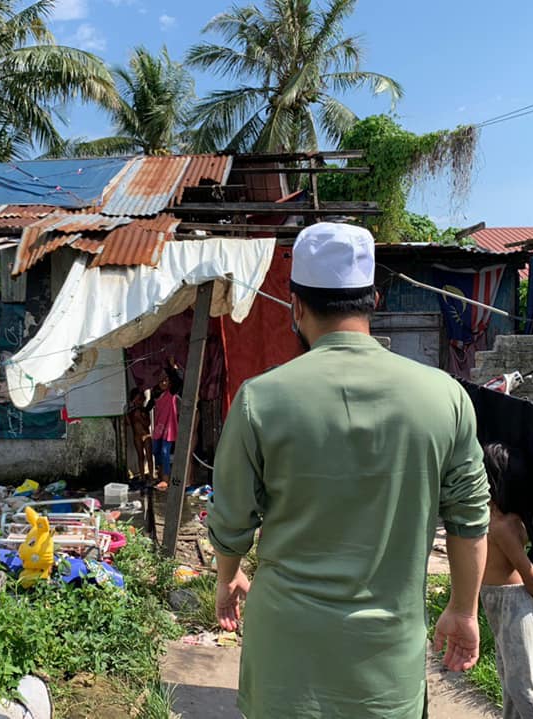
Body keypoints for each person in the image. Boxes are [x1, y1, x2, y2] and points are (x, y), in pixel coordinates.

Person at [207, 222, 491, 718]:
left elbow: (232, 520)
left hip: (285, 664)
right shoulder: (445, 396)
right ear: (374, 299)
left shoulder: (260, 399)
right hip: (385, 664)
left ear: (295, 306)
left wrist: (228, 576)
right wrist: (464, 611)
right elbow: (471, 519)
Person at [481, 442, 533, 719]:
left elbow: (528, 572)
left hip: (514, 604)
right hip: (503, 604)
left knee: (522, 687)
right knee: (510, 683)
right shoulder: (490, 519)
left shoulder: (501, 525)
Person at [150, 358, 182, 491]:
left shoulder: (171, 393)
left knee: (165, 452)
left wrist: (171, 367)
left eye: (166, 380)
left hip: (168, 428)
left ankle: (165, 479)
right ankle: (160, 475)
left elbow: (178, 381)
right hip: (158, 428)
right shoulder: (156, 394)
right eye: (161, 380)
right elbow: (148, 407)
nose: (163, 382)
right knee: (156, 452)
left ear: (170, 383)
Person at [126, 387, 155, 480]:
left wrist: (140, 417)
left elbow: (148, 423)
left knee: (149, 456)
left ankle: (151, 475)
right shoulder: (131, 412)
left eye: (140, 400)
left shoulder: (144, 411)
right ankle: (142, 477)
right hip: (137, 437)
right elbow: (128, 424)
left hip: (146, 435)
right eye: (137, 400)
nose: (139, 402)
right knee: (140, 457)